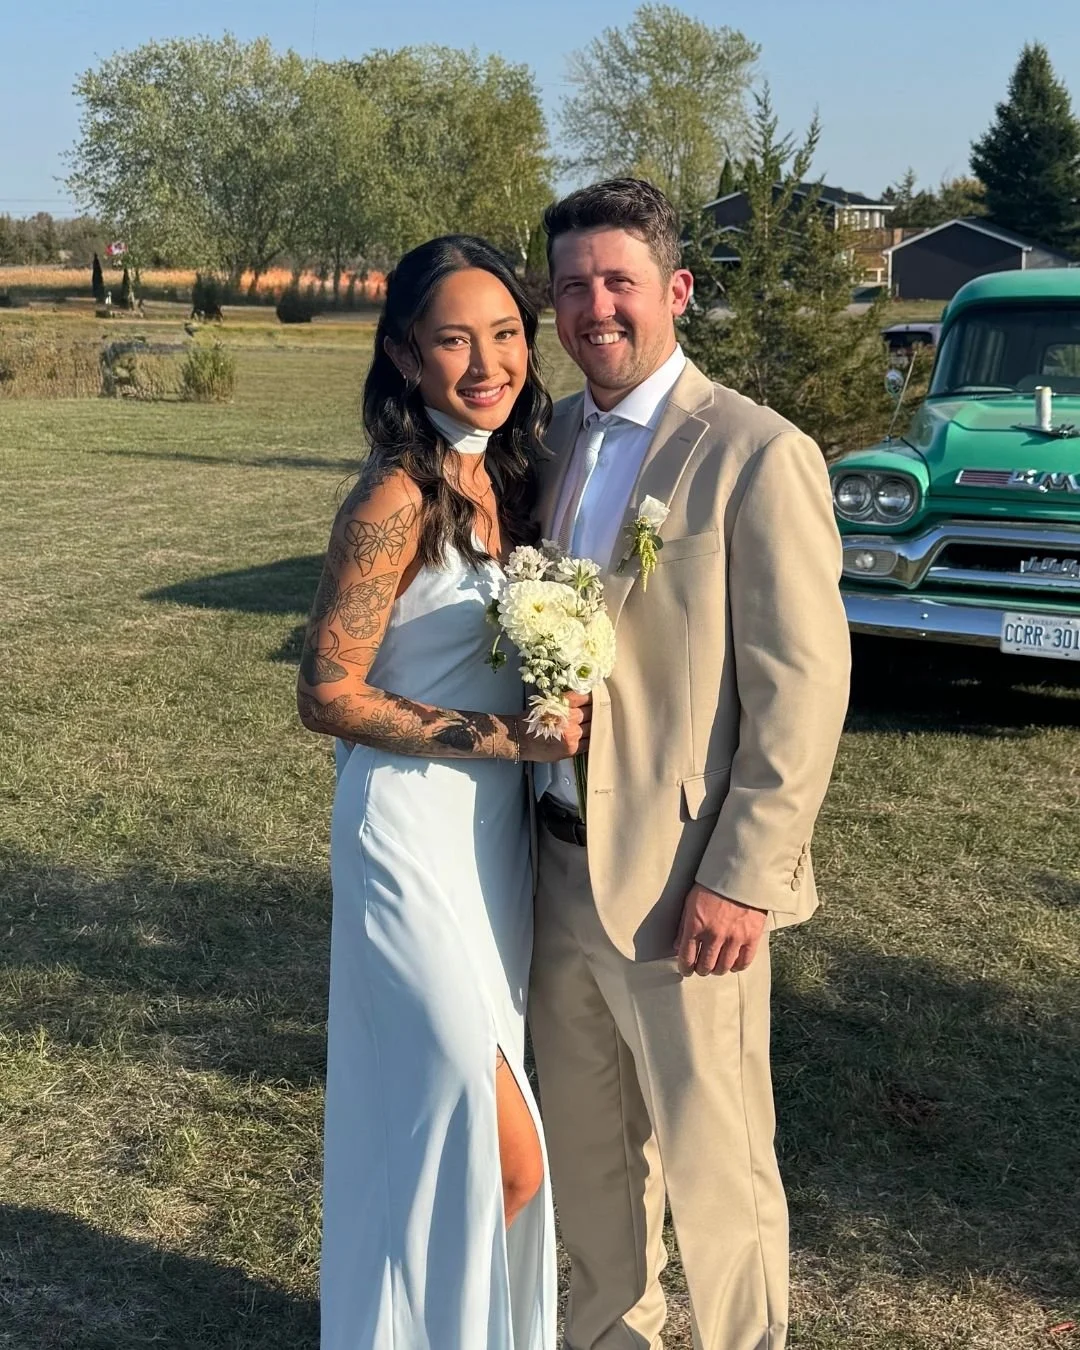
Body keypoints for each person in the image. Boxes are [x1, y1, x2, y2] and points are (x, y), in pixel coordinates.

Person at [527, 179, 851, 1350]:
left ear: (675, 290)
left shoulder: (759, 454)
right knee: (592, 1159)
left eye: (618, 282)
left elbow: (803, 688)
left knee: (718, 1174)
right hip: (549, 869)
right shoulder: (548, 439)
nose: (594, 308)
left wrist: (745, 875)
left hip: (681, 883)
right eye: (572, 286)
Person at [298, 235, 581, 1350]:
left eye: (505, 333)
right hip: (407, 835)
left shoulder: (510, 476)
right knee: (493, 1146)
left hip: (491, 852)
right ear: (405, 355)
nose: (486, 362)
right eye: (453, 339)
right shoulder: (395, 494)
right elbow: (326, 692)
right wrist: (503, 736)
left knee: (443, 1133)